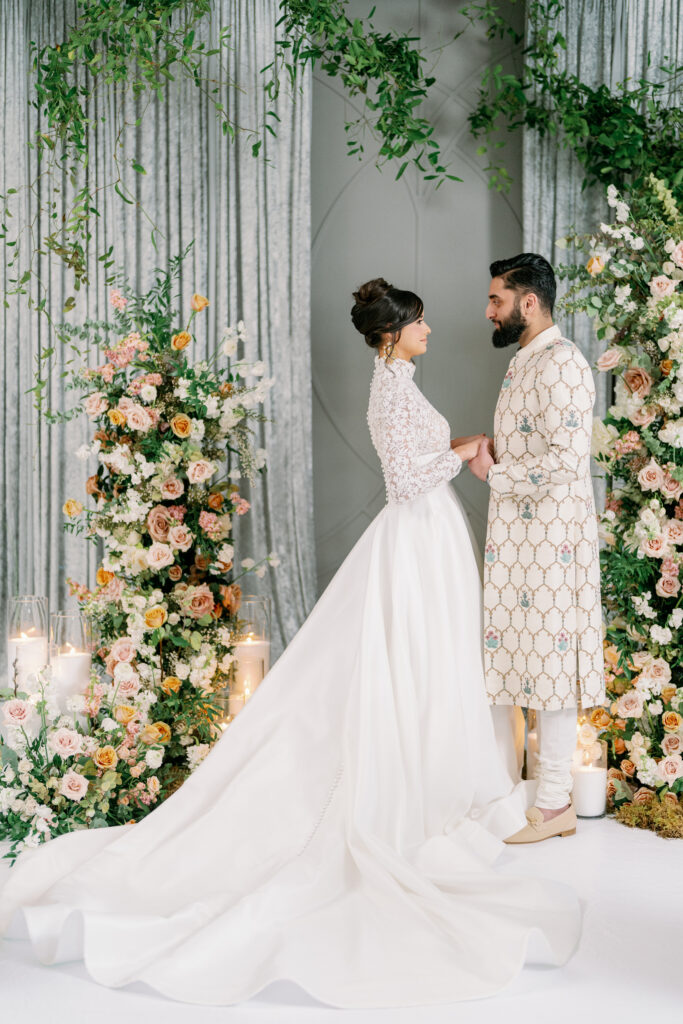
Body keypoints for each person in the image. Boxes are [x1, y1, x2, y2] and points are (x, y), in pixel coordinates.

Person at [0, 278, 580, 1008]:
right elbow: (405, 481)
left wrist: (456, 448)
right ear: (392, 332)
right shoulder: (390, 391)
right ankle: (415, 782)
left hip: (429, 537)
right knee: (410, 661)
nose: (430, 331)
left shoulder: (399, 380)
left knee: (432, 663)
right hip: (414, 534)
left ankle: (441, 767)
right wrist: (464, 453)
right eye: (420, 324)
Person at [468, 254, 605, 844]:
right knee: (521, 663)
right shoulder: (528, 361)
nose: (490, 311)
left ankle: (553, 803)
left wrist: (494, 475)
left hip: (554, 547)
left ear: (529, 302)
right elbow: (537, 444)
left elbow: (567, 461)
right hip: (521, 544)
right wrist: (499, 451)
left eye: (497, 300)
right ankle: (531, 794)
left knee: (551, 670)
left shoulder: (565, 362)